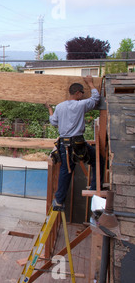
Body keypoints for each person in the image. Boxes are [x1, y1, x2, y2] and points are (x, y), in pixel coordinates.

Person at [45, 76, 103, 211]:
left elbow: (53, 122)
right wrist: (90, 83)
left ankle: (59, 201)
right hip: (77, 144)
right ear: (77, 93)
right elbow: (95, 99)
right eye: (82, 93)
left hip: (64, 145)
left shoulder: (59, 107)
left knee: (66, 170)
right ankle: (95, 188)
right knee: (97, 160)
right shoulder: (80, 105)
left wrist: (49, 109)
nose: (83, 95)